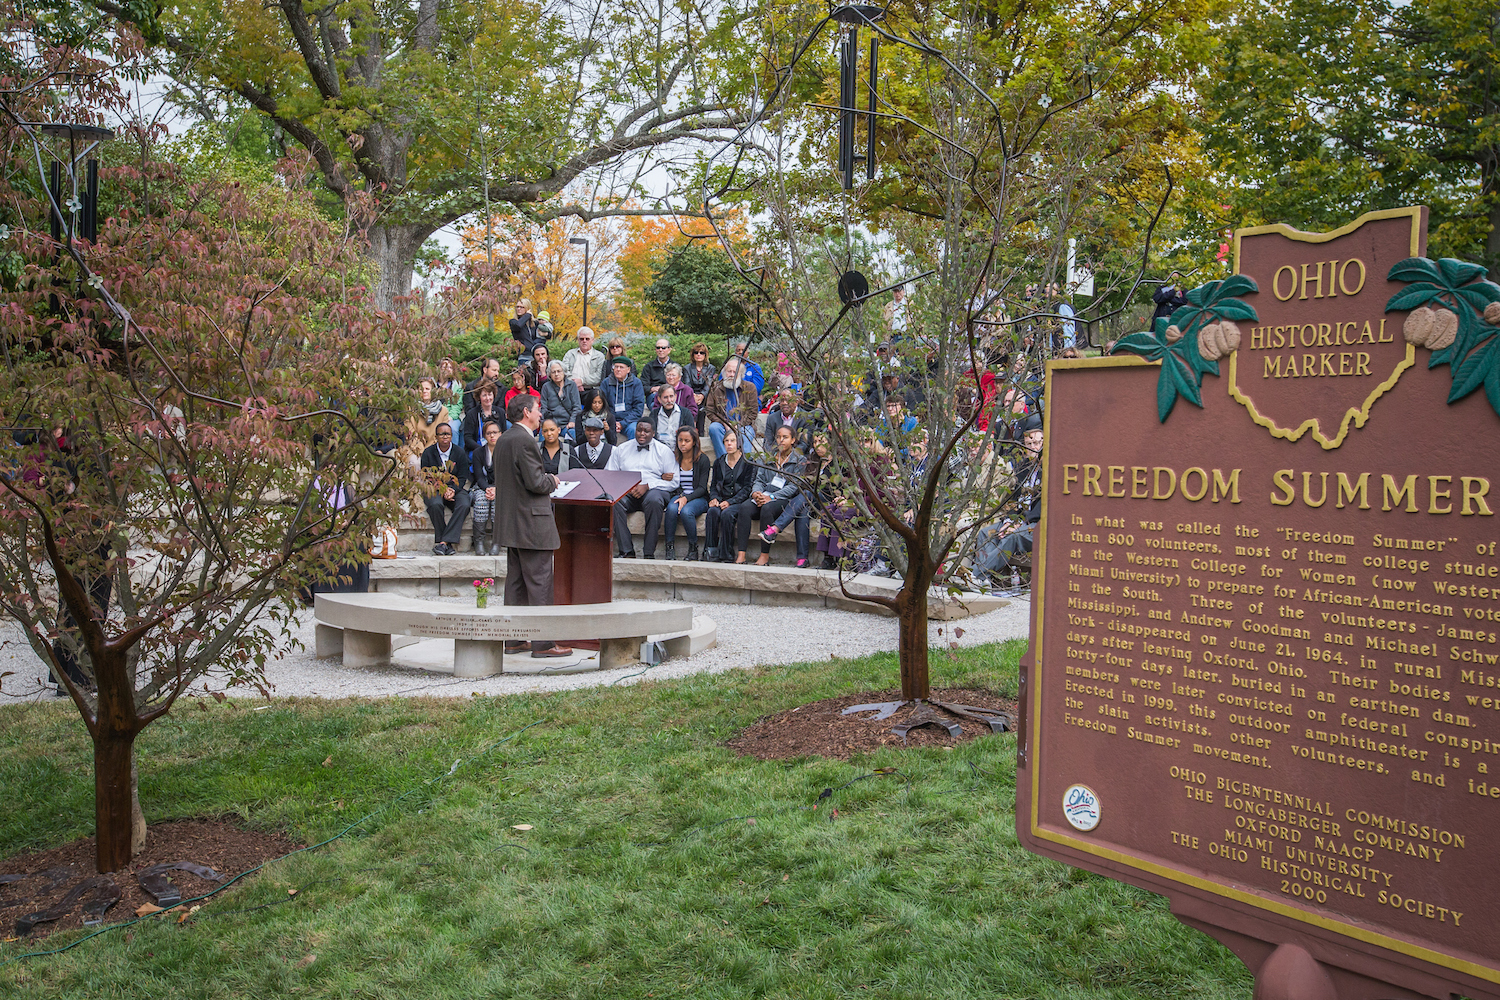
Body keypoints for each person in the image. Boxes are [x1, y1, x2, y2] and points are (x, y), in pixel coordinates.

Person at [493, 394, 571, 657]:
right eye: (538, 410)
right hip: (531, 524)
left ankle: (513, 640)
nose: (540, 414)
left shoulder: (503, 439)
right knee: (540, 583)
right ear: (526, 412)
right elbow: (536, 483)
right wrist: (552, 480)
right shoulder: (524, 440)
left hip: (512, 524)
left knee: (515, 584)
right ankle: (544, 643)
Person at [975, 414, 1043, 584]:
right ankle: (986, 581)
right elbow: (1013, 500)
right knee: (986, 533)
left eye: (1037, 443)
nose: (1033, 447)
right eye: (1029, 444)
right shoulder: (1022, 468)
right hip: (1018, 521)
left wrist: (1019, 523)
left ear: (1044, 444)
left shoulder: (1050, 470)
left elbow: (1043, 507)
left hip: (1036, 526)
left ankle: (977, 576)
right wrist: (1008, 520)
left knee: (1013, 536)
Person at [733, 424, 804, 565]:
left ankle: (764, 555)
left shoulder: (799, 460)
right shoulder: (769, 456)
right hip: (764, 495)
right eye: (778, 437)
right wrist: (756, 493)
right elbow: (759, 479)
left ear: (793, 440)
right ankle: (741, 554)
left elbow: (794, 487)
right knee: (745, 508)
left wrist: (771, 497)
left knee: (767, 508)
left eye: (785, 437)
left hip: (782, 499)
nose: (781, 440)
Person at [605, 418, 676, 558]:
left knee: (654, 500)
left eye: (646, 431)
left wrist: (649, 486)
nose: (642, 433)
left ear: (653, 433)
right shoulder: (622, 449)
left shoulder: (664, 451)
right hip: (627, 492)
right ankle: (626, 551)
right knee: (613, 501)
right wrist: (625, 487)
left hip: (653, 492)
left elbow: (674, 482)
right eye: (639, 430)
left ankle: (649, 553)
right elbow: (609, 474)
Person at [420, 422, 472, 555]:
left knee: (464, 504)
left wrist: (453, 490)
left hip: (454, 488)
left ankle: (443, 543)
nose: (445, 437)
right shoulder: (428, 453)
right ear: (436, 436)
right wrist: (440, 488)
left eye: (448, 434)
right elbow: (425, 475)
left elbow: (462, 477)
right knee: (435, 504)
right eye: (441, 434)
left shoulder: (459, 453)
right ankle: (446, 543)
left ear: (451, 436)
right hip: (435, 488)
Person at [704, 427, 753, 562]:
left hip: (739, 502)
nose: (729, 444)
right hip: (721, 499)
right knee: (712, 512)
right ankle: (710, 551)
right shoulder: (719, 462)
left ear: (739, 443)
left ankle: (726, 554)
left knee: (727, 514)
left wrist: (731, 502)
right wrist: (714, 498)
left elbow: (747, 488)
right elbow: (714, 485)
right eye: (726, 441)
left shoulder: (748, 462)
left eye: (732, 441)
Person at [662, 426, 711, 560]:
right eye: (680, 440)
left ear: (694, 442)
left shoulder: (703, 460)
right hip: (679, 495)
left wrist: (686, 498)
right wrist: (663, 476)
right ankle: (669, 548)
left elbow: (702, 488)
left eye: (687, 441)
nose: (683, 444)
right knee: (671, 509)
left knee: (686, 512)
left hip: (698, 497)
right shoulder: (674, 458)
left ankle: (693, 549)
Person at [704, 358, 759, 458]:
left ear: (741, 374)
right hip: (722, 425)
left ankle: (743, 464)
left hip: (743, 425)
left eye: (735, 372)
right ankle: (724, 461)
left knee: (748, 432)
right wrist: (724, 423)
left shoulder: (750, 388)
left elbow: (753, 412)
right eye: (729, 371)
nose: (732, 374)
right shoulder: (716, 387)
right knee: (714, 428)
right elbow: (710, 411)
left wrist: (739, 425)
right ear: (724, 372)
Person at [402, 376, 450, 472]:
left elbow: (441, 434)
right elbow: (410, 432)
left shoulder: (443, 410)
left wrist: (429, 451)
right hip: (414, 447)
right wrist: (421, 450)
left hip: (434, 447)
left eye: (427, 389)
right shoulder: (410, 409)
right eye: (421, 389)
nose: (424, 391)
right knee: (416, 463)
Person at [469, 419, 502, 555]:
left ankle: (497, 542)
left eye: (495, 433)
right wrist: (488, 488)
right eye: (488, 433)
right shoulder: (478, 453)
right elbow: (478, 476)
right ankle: (479, 541)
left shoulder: (506, 452)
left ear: (500, 434)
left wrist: (496, 489)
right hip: (481, 487)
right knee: (482, 501)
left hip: (501, 487)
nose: (492, 436)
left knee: (497, 503)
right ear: (484, 436)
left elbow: (507, 475)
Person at [601, 357, 645, 440]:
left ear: (628, 370)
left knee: (634, 430)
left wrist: (623, 423)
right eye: (616, 367)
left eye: (621, 367)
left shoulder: (636, 383)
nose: (618, 369)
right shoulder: (606, 383)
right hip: (609, 420)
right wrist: (611, 422)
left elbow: (638, 408)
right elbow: (602, 405)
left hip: (629, 421)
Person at [540, 359, 581, 438]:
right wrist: (547, 423)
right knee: (542, 442)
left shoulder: (571, 385)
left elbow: (577, 407)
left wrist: (572, 421)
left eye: (559, 371)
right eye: (553, 372)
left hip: (567, 424)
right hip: (551, 424)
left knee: (573, 437)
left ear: (564, 372)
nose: (556, 374)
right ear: (549, 374)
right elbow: (544, 408)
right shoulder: (546, 387)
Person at [462, 381, 505, 453]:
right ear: (479, 397)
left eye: (490, 394)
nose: (488, 398)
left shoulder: (500, 412)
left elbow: (504, 434)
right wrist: (483, 450)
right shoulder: (472, 414)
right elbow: (468, 438)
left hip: (497, 450)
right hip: (477, 451)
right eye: (484, 395)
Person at [684, 342, 717, 427]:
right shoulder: (687, 368)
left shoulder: (711, 368)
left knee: (702, 408)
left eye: (702, 353)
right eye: (696, 352)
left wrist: (702, 396)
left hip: (705, 396)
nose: (699, 355)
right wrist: (693, 396)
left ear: (705, 355)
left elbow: (708, 384)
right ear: (693, 354)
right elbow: (687, 384)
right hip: (691, 394)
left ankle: (700, 433)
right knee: (693, 404)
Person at [437, 357, 465, 424]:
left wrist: (450, 417)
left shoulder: (457, 386)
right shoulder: (432, 384)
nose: (448, 369)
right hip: (433, 416)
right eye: (445, 367)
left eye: (450, 368)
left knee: (453, 429)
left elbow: (457, 405)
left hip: (451, 417)